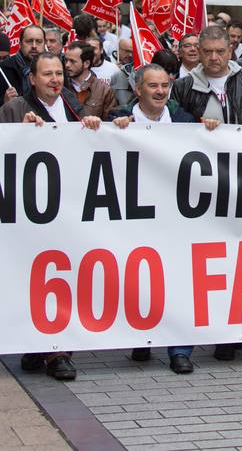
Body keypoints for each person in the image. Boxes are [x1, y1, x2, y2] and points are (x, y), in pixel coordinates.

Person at [172, 25, 242, 361]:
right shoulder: (184, 86)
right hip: (205, 187)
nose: (214, 58)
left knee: (241, 257)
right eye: (207, 52)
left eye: (220, 51)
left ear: (230, 49)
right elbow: (171, 130)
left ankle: (231, 332)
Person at [1, 51, 101, 382]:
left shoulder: (74, 106)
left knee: (63, 277)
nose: (55, 79)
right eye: (47, 74)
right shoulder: (15, 109)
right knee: (34, 278)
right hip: (31, 213)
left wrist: (94, 125)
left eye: (59, 73)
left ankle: (59, 350)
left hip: (69, 210)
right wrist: (20, 130)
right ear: (32, 79)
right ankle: (36, 344)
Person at [111, 63, 200, 374]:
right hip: (135, 218)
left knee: (178, 278)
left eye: (165, 85)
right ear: (138, 90)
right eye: (153, 86)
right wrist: (105, 129)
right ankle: (142, 338)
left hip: (176, 218)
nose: (161, 91)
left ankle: (180, 349)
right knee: (139, 277)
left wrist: (212, 132)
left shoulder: (186, 122)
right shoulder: (117, 121)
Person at [64, 41, 117, 120]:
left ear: (86, 63)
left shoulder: (104, 91)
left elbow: (110, 124)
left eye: (72, 61)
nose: (67, 65)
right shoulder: (61, 86)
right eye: (66, 60)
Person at [0, 25, 45, 105]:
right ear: (20, 44)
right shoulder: (3, 69)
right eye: (29, 41)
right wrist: (5, 103)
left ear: (44, 44)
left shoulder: (53, 67)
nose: (34, 46)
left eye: (38, 41)